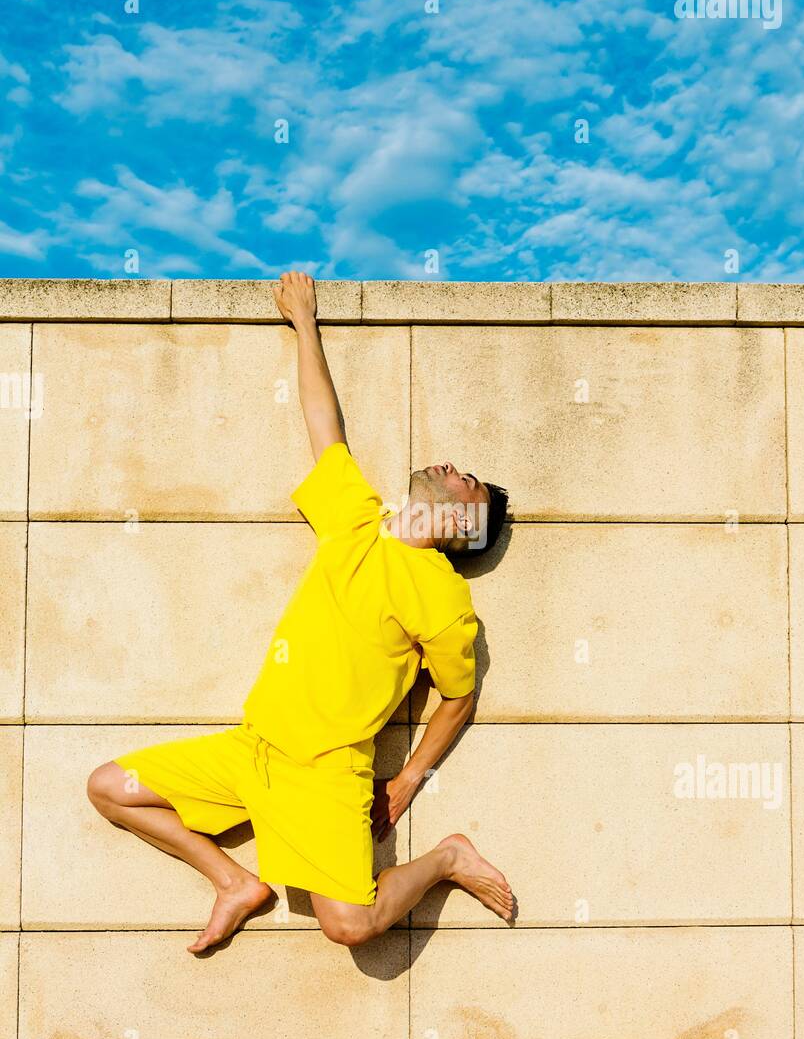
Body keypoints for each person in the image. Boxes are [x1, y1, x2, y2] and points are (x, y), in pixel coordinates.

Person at [87, 272, 512, 953]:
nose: (450, 466)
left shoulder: (444, 597)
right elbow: (324, 427)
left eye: (462, 480)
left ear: (462, 521)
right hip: (254, 748)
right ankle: (234, 883)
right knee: (111, 787)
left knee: (350, 924)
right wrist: (305, 325)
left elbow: (458, 698)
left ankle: (449, 858)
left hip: (325, 772)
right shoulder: (356, 520)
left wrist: (405, 780)